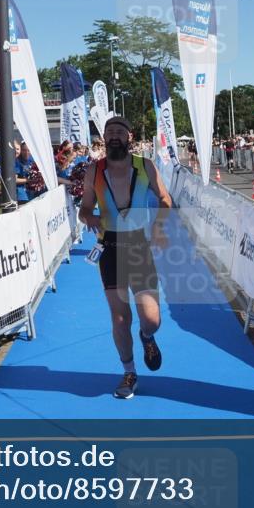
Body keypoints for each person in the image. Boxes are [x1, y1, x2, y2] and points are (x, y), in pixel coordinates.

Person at [79, 116, 172, 400]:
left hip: (138, 246)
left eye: (120, 131)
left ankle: (147, 337)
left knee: (151, 319)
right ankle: (129, 372)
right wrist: (88, 217)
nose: (114, 135)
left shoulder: (145, 166)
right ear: (104, 138)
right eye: (110, 132)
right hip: (109, 247)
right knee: (120, 318)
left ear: (129, 137)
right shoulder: (94, 170)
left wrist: (158, 227)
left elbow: (165, 199)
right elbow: (84, 208)